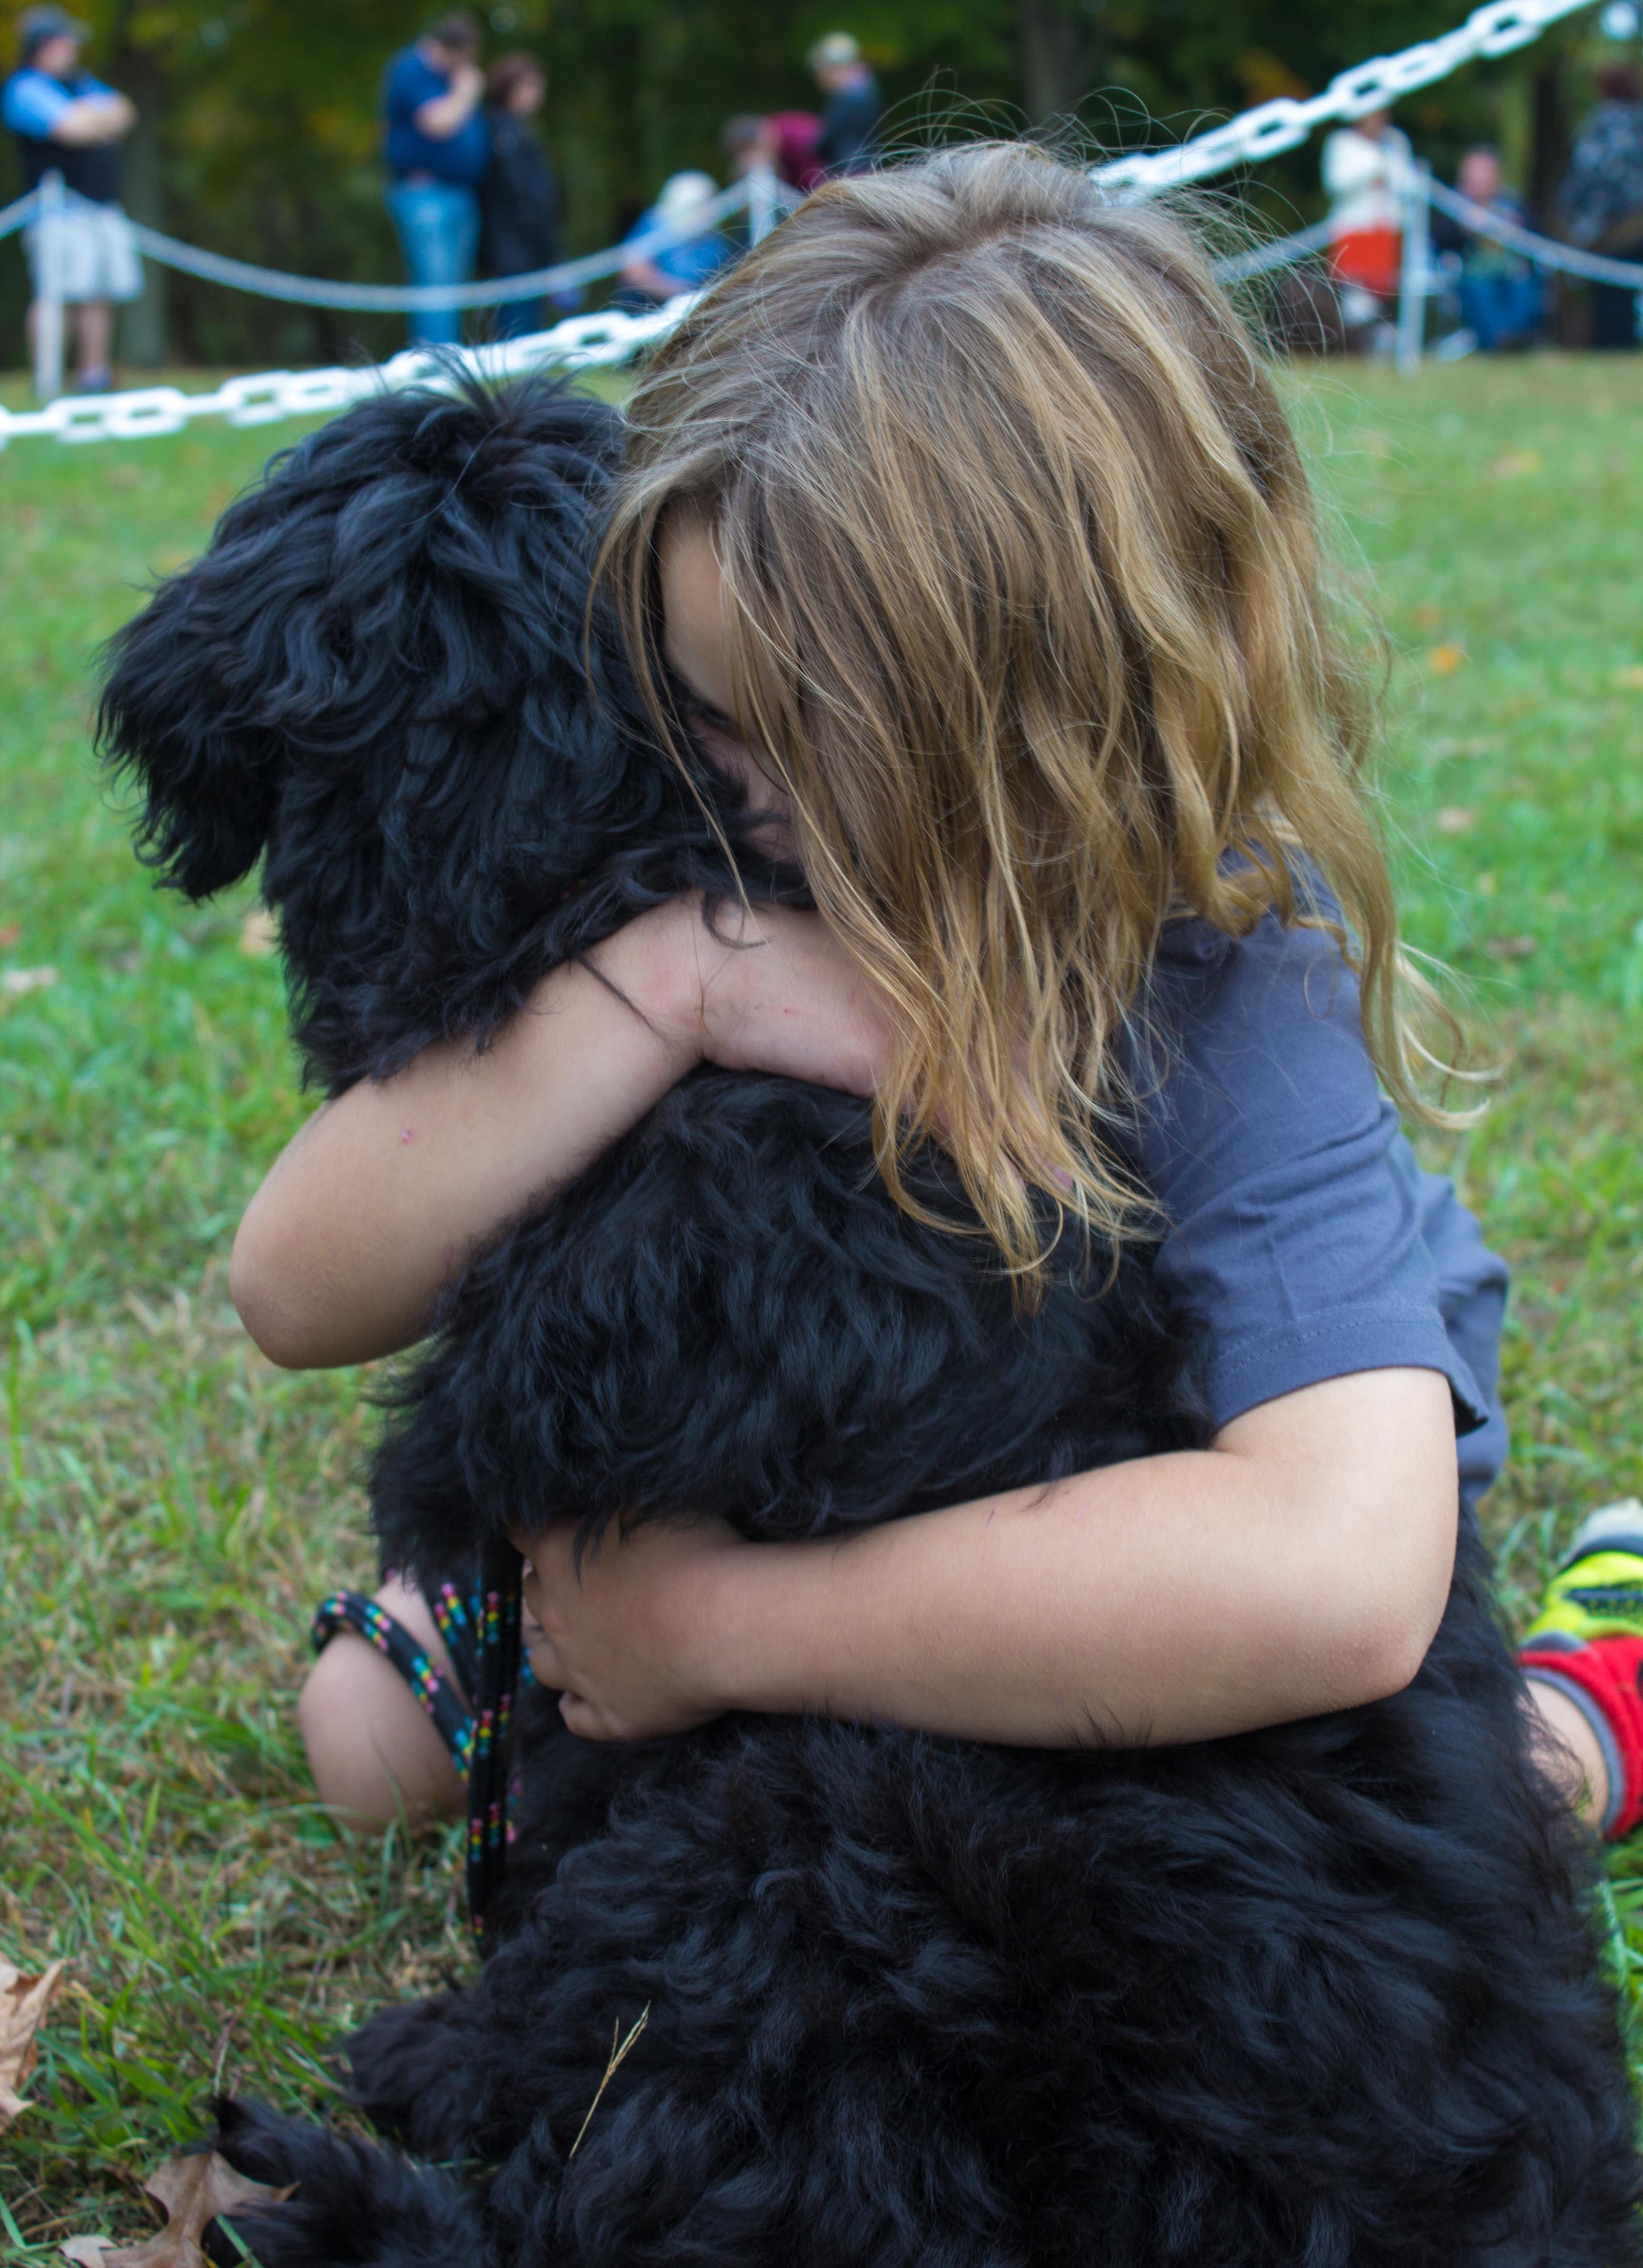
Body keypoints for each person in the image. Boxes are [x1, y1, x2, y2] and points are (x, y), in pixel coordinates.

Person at [223, 144, 1643, 1858]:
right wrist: (674, 984)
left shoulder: (1208, 960)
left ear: (1042, 735)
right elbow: (295, 1285)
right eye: (692, 708)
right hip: (830, 1462)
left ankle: (1596, 1681)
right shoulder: (715, 885)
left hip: (1144, 1511)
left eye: (787, 740)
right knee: (370, 1738)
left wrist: (719, 1628)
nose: (723, 798)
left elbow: (1333, 1574)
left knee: (1458, 1794)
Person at [1, 5, 140, 392]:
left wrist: (90, 118)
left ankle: (93, 377)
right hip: (57, 212)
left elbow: (126, 112)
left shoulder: (81, 82)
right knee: (55, 292)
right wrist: (98, 122)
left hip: (101, 205)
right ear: (44, 46)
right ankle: (48, 380)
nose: (74, 49)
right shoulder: (25, 86)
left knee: (97, 294)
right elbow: (70, 129)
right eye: (66, 41)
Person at [381, 12, 490, 349]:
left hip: (460, 191)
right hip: (425, 192)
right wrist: (467, 90)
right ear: (452, 48)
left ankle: (446, 354)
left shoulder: (449, 76)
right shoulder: (412, 69)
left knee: (452, 285)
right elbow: (439, 123)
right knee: (436, 282)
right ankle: (436, 358)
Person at [1559, 64, 1643, 351]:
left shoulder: (1604, 122)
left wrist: (1578, 221)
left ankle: (1616, 347)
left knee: (1611, 294)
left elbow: (1591, 175)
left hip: (1614, 229)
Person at [478, 52, 560, 340]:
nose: (538, 95)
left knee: (531, 321)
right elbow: (517, 192)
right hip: (511, 247)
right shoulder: (499, 131)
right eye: (530, 86)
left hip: (530, 246)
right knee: (516, 325)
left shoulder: (520, 131)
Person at [1430, 146, 1542, 352]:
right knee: (1480, 293)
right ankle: (1500, 340)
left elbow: (1536, 239)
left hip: (1512, 272)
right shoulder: (1453, 206)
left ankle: (1516, 337)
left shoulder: (1512, 203)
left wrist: (1515, 227)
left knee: (1524, 291)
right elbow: (1439, 240)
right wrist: (1463, 227)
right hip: (1473, 274)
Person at [1321, 107, 1412, 339]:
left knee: (1385, 289)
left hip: (1388, 228)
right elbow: (1337, 183)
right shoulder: (1341, 143)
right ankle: (1358, 338)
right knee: (1356, 291)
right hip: (1354, 228)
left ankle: (1380, 336)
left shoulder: (1395, 141)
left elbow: (1407, 182)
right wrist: (1375, 167)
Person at [614, 170, 733, 309]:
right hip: (652, 307)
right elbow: (633, 270)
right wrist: (676, 292)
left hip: (698, 305)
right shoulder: (655, 223)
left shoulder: (714, 241)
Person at [808, 31, 881, 177]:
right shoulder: (867, 88)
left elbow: (828, 138)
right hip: (865, 164)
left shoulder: (849, 95)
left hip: (847, 168)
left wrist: (811, 147)